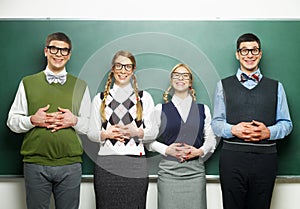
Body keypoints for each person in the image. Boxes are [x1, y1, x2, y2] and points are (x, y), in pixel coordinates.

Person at [6, 32, 91, 209]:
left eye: (64, 51)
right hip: (35, 164)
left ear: (69, 55)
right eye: (54, 49)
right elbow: (12, 121)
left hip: (70, 165)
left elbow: (91, 126)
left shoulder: (81, 86)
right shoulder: (27, 83)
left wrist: (74, 120)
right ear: (46, 51)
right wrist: (32, 120)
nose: (58, 54)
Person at [211, 33, 293, 209]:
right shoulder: (222, 85)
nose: (250, 55)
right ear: (237, 54)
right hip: (232, 159)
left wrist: (269, 132)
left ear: (260, 54)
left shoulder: (276, 87)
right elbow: (216, 123)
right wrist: (233, 130)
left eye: (254, 50)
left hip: (265, 160)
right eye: (245, 51)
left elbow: (287, 124)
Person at [87, 50, 157, 209]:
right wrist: (105, 134)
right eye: (119, 66)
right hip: (107, 164)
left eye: (127, 67)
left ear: (133, 70)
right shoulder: (100, 99)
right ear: (113, 69)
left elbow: (153, 132)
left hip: (135, 164)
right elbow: (91, 133)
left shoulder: (144, 98)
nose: (123, 70)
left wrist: (137, 132)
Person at [147, 63, 218, 209]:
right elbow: (147, 140)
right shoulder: (160, 109)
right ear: (171, 81)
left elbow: (211, 139)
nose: (181, 78)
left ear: (190, 81)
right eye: (176, 75)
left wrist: (199, 151)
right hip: (168, 172)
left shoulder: (203, 109)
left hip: (195, 173)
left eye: (185, 75)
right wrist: (166, 150)